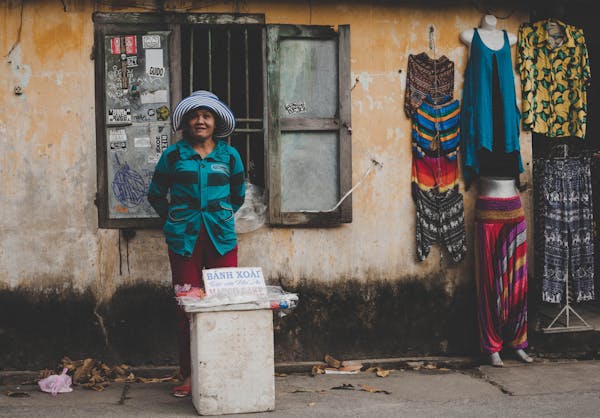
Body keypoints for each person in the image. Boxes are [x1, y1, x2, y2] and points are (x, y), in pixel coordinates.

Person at [147, 90, 246, 397]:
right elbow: (155, 194)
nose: (200, 121)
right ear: (186, 123)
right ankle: (189, 374)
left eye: (206, 115)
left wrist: (219, 216)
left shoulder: (229, 156)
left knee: (224, 303)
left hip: (221, 239)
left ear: (215, 122)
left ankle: (222, 372)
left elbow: (238, 195)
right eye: (194, 116)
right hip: (184, 241)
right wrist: (174, 220)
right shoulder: (174, 156)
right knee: (187, 308)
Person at [474, 177, 533, 367]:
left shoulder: (517, 146)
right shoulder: (473, 147)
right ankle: (492, 346)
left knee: (518, 283)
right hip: (488, 213)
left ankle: (518, 342)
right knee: (489, 284)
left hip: (515, 211)